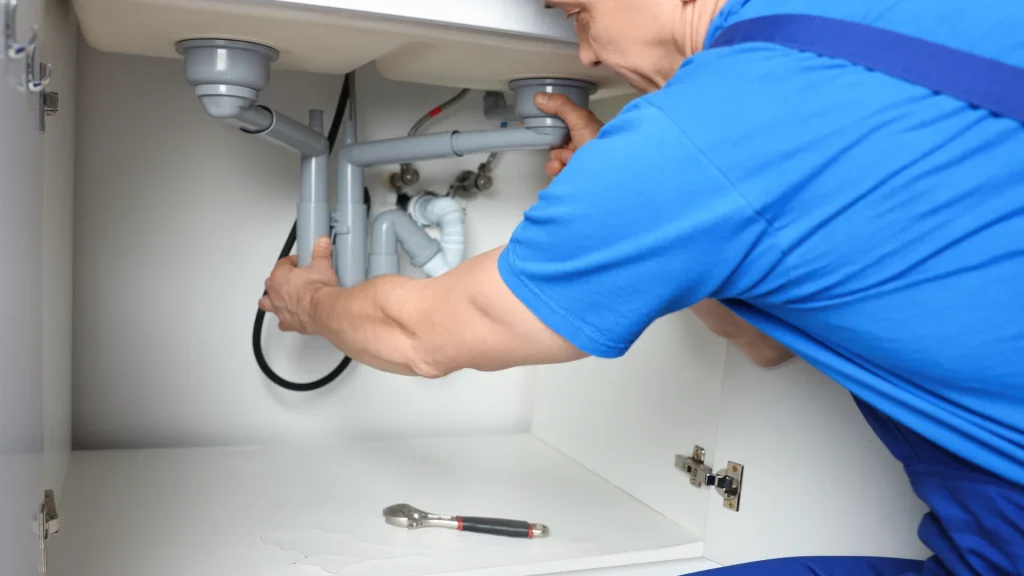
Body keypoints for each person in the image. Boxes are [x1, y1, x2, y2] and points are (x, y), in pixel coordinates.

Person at [259, 0, 1024, 574]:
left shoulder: (705, 126)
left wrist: (311, 302)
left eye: (581, 14)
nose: (587, 54)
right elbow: (761, 341)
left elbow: (423, 338)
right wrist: (655, 218)